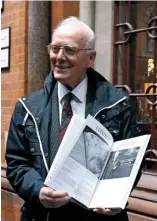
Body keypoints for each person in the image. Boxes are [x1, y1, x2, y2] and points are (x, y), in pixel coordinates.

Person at [5, 16, 141, 221]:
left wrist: (115, 199)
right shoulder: (27, 107)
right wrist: (38, 190)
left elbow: (130, 163)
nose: (59, 57)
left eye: (69, 50)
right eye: (54, 48)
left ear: (90, 58)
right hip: (44, 215)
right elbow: (17, 164)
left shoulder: (118, 104)